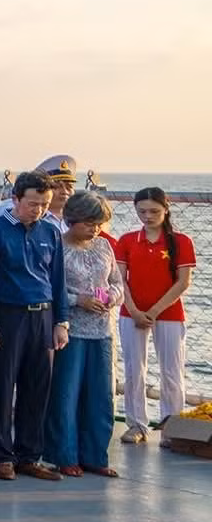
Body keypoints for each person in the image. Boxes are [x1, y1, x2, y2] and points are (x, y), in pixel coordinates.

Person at [0, 171, 69, 481]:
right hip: (8, 314)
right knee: (4, 387)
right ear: (16, 199)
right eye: (32, 203)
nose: (39, 210)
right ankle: (3, 455)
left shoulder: (51, 232)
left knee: (37, 387)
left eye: (44, 204)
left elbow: (58, 280)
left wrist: (61, 321)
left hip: (42, 315)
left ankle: (29, 455)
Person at [49, 192, 124, 478]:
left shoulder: (104, 246)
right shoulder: (59, 247)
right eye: (89, 223)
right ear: (72, 220)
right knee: (67, 394)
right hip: (73, 330)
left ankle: (95, 455)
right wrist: (76, 300)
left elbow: (116, 281)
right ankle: (64, 454)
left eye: (99, 223)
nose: (94, 229)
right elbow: (51, 286)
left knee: (101, 395)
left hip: (103, 330)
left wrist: (112, 298)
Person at [118, 187, 195, 444]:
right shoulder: (128, 241)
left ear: (166, 208)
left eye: (154, 211)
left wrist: (153, 311)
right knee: (133, 368)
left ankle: (171, 426)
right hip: (132, 312)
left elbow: (183, 282)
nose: (148, 216)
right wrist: (134, 310)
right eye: (142, 211)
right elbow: (120, 280)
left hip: (169, 312)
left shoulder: (181, 242)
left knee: (172, 371)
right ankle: (136, 423)